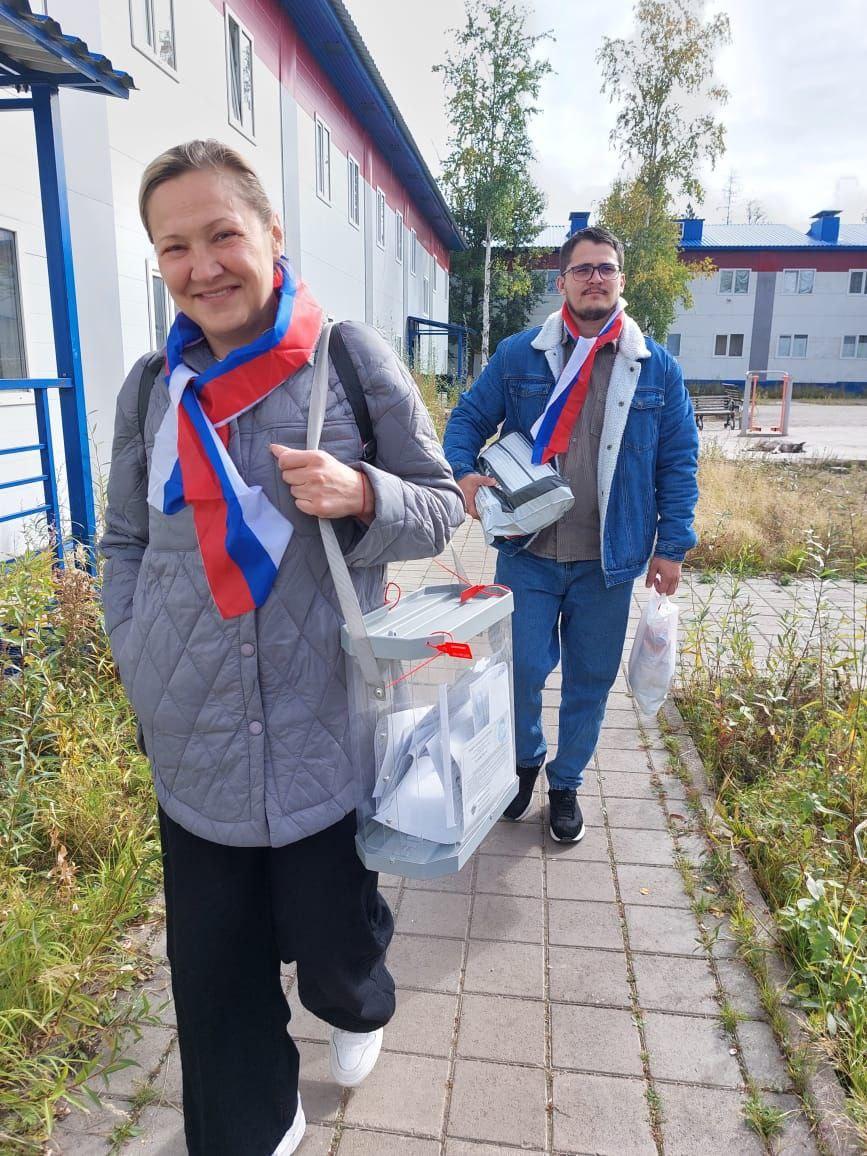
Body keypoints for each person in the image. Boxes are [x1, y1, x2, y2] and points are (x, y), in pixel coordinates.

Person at [100, 139, 464, 1156]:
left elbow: (440, 509)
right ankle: (257, 1120)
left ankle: (356, 1004)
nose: (203, 264)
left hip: (322, 728)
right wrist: (134, 647)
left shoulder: (348, 358)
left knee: (333, 942)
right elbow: (124, 537)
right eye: (175, 246)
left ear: (272, 234)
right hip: (195, 734)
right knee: (214, 967)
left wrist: (361, 496)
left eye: (222, 233)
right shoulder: (149, 391)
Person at [443, 225, 698, 843]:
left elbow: (679, 459)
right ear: (562, 282)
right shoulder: (519, 355)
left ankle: (566, 784)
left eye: (605, 269)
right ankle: (525, 760)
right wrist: (467, 475)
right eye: (582, 269)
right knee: (522, 670)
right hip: (529, 552)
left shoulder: (653, 367)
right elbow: (467, 419)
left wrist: (671, 544)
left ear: (621, 281)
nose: (594, 279)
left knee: (589, 679)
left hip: (609, 562)